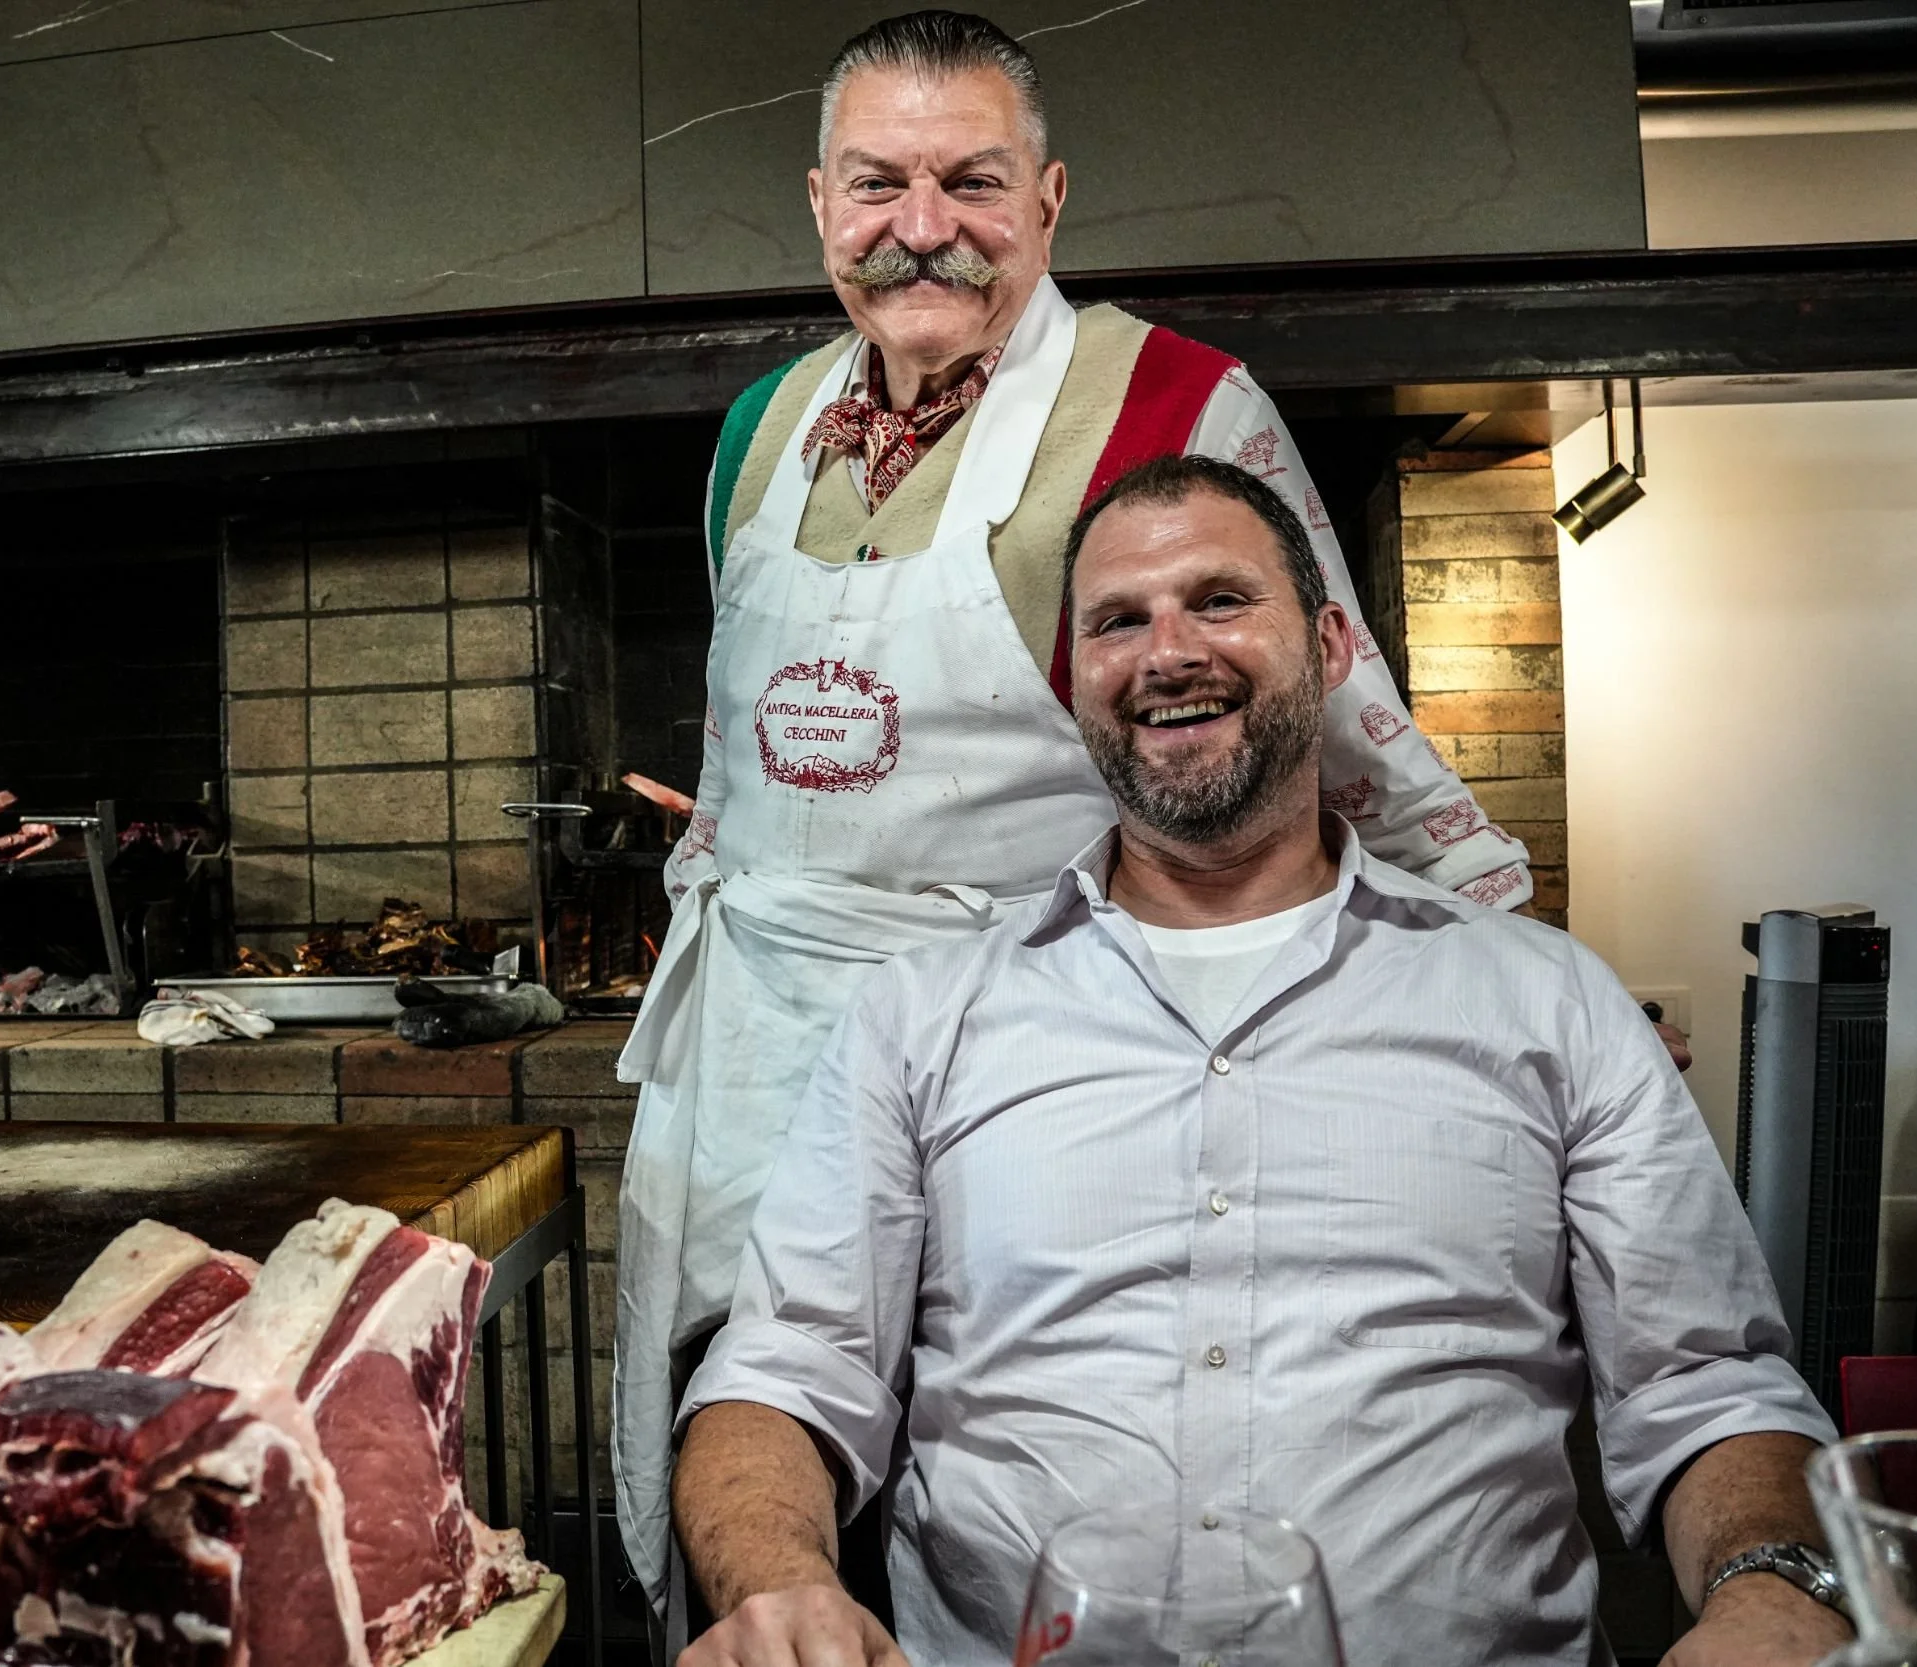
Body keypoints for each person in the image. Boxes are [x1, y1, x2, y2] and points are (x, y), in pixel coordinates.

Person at [614, 9, 1538, 1613]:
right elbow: (739, 753)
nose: (925, 229)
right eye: (878, 184)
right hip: (755, 1075)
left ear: (1048, 200)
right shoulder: (755, 437)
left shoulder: (1174, 401)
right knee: (759, 1504)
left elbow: (1353, 737)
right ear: (818, 201)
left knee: (1015, 1515)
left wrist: (1527, 984)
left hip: (1043, 1075)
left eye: (973, 181)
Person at [667, 455, 1849, 1667]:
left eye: (1220, 601)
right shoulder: (922, 1013)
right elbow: (789, 1365)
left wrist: (1774, 1586)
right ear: (1070, 679)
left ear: (1330, 643)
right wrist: (777, 1586)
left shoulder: (1550, 1001)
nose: (1168, 650)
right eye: (1117, 620)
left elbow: (1706, 1387)